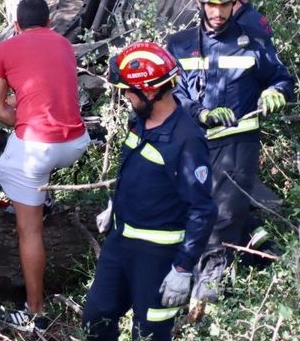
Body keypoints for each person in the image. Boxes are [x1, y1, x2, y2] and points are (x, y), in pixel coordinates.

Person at [166, 0, 295, 303]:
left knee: (225, 211)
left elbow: (282, 79)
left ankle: (213, 278)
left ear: (235, 1)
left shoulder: (253, 42)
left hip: (238, 142)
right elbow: (172, 94)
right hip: (193, 141)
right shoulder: (178, 45)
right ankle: (213, 263)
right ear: (200, 3)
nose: (218, 12)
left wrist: (274, 92)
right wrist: (201, 113)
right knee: (190, 206)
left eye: (224, 4)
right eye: (211, 4)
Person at [82, 42, 217, 341]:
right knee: (95, 317)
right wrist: (113, 205)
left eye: (130, 90)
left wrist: (182, 268)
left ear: (151, 91)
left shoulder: (187, 141)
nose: (127, 96)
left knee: (149, 334)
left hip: (158, 256)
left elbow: (203, 209)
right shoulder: (140, 121)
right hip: (120, 242)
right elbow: (136, 171)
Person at [0, 0, 90, 333]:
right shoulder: (64, 45)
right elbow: (45, 89)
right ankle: (38, 199)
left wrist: (21, 119)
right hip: (76, 142)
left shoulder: (5, 49)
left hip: (38, 148)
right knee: (20, 169)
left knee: (9, 183)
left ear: (16, 26)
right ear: (49, 23)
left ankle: (35, 313)